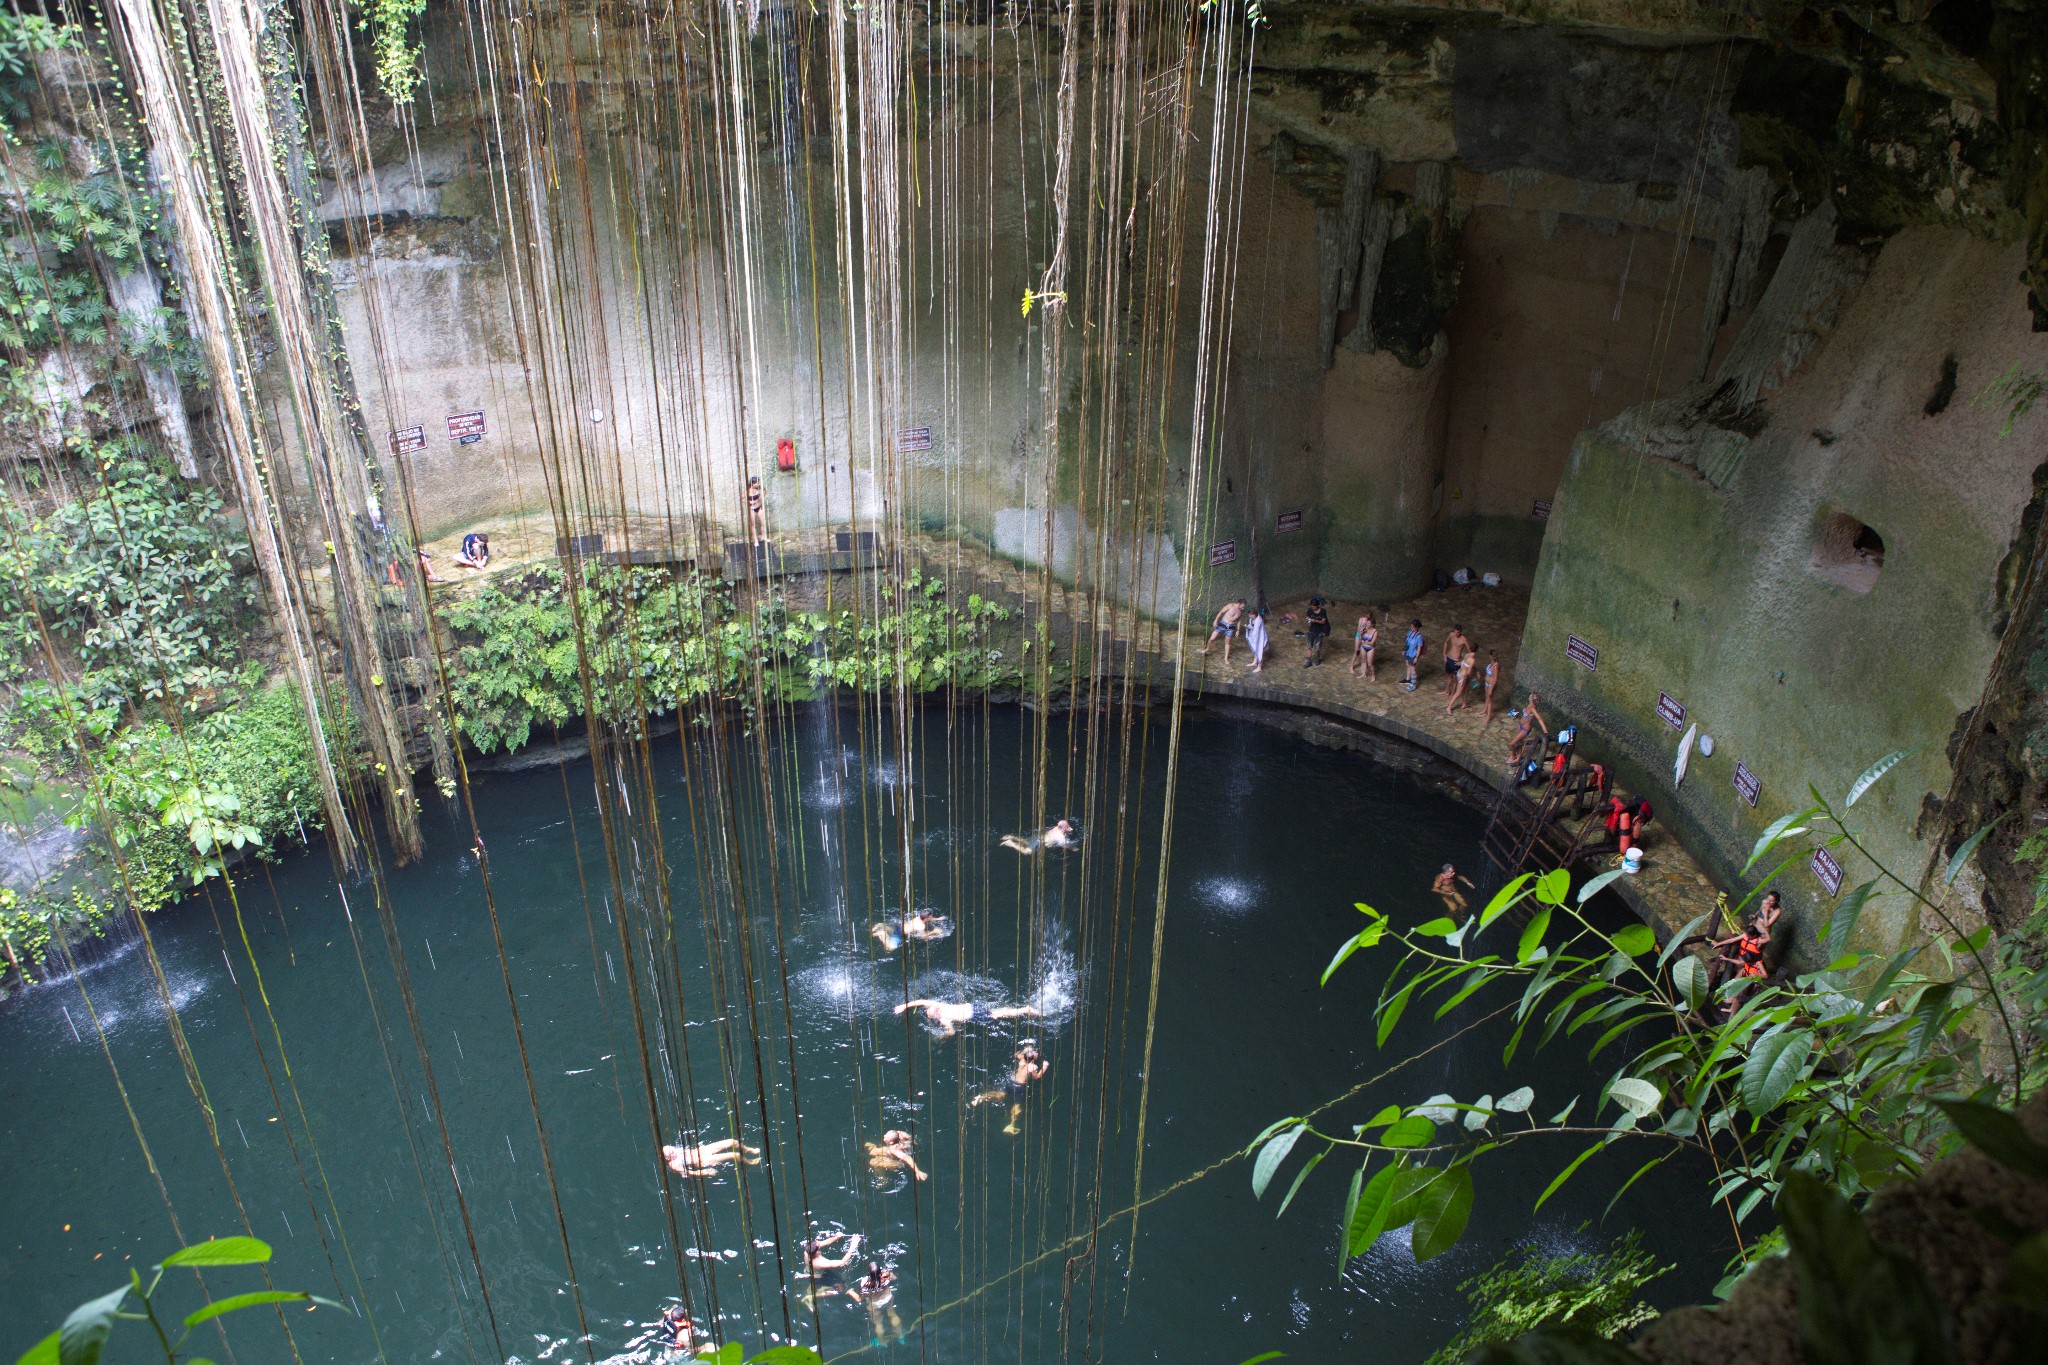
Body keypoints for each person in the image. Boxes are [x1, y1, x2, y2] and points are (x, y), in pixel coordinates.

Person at [972, 1044, 1049, 1135]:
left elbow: (1015, 1054)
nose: (1036, 1053)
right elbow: (1037, 1077)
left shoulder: (1022, 1059)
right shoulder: (1032, 1067)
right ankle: (1011, 1125)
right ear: (1033, 1059)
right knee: (1017, 1105)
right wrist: (1044, 1067)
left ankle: (981, 1097)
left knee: (1001, 1094)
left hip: (1011, 1081)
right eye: (1034, 1053)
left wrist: (1025, 1051)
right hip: (1019, 1087)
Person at [894, 998, 1041, 1039]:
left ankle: (1024, 1010)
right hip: (973, 1006)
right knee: (997, 1011)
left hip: (974, 1015)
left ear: (936, 1014)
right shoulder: (939, 1005)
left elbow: (951, 1032)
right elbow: (920, 1001)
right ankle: (1021, 1009)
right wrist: (904, 1006)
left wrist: (940, 1037)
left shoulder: (944, 1018)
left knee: (997, 1015)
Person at [798, 1230, 862, 1308]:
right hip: (819, 1277)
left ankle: (812, 1292)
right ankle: (812, 1296)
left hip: (810, 1272)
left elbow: (825, 1243)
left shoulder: (808, 1251)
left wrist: (836, 1237)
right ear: (817, 1251)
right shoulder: (821, 1262)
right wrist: (853, 1246)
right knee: (841, 1286)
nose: (819, 1242)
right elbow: (842, 1262)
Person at [855, 1262, 904, 1344]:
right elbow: (894, 1278)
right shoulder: (886, 1275)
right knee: (892, 1314)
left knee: (878, 1323)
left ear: (868, 1273)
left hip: (874, 1303)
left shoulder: (865, 1282)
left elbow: (861, 1297)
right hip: (887, 1297)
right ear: (880, 1271)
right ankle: (901, 1336)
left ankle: (881, 1341)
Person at [662, 1137, 762, 1177]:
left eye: (672, 1150)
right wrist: (705, 1172)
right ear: (668, 1158)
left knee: (732, 1141)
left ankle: (749, 1150)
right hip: (704, 1160)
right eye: (671, 1154)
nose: (674, 1152)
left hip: (703, 1150)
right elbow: (690, 1172)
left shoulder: (675, 1150)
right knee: (736, 1155)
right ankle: (750, 1162)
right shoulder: (674, 1164)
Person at [1509, 693, 1547, 764]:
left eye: (1530, 695)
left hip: (1525, 729)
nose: (1529, 696)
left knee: (1512, 744)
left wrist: (1545, 731)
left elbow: (1540, 719)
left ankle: (1513, 755)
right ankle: (1518, 758)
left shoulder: (1533, 709)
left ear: (1531, 699)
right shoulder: (1529, 705)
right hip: (1520, 725)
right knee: (1519, 742)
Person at [1001, 818, 1075, 854]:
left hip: (1038, 837)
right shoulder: (1061, 837)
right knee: (1027, 851)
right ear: (1063, 829)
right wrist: (1074, 849)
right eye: (1067, 828)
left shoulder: (1056, 828)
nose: (1069, 829)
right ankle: (1010, 843)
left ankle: (1012, 837)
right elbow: (1066, 845)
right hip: (1040, 843)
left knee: (1026, 842)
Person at [1442, 625, 1470, 698]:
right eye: (1455, 632)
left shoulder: (1463, 639)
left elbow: (1470, 652)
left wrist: (1462, 662)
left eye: (1457, 632)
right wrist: (1444, 654)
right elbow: (1446, 642)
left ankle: (1452, 695)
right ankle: (1447, 691)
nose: (1456, 634)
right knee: (1448, 676)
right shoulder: (1451, 634)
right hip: (1449, 658)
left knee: (1455, 679)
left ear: (1460, 632)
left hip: (1456, 661)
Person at [1303, 596, 1331, 668]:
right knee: (1309, 645)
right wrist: (1308, 620)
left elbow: (1323, 621)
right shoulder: (1310, 610)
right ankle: (1309, 660)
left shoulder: (1323, 611)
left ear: (1318, 605)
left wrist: (1315, 620)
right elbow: (1307, 617)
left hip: (1320, 631)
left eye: (1314, 607)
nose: (1313, 608)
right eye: (1312, 606)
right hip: (1312, 630)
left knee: (1317, 647)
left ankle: (1317, 658)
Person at [1448, 648, 1477, 715]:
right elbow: (1469, 672)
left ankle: (1464, 703)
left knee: (1467, 689)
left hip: (1460, 673)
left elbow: (1463, 663)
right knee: (1458, 692)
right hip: (1463, 677)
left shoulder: (1467, 655)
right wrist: (1473, 677)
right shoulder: (1472, 660)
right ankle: (1449, 707)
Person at [1350, 613, 1378, 681]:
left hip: (1370, 648)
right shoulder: (1365, 628)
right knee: (1363, 661)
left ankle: (1373, 676)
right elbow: (1360, 636)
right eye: (1367, 623)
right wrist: (1361, 633)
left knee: (1370, 663)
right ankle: (1363, 674)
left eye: (1368, 623)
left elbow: (1372, 643)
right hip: (1363, 647)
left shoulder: (1375, 631)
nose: (1367, 624)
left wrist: (1365, 642)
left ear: (1372, 624)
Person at [1402, 620, 1425, 692]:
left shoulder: (1419, 637)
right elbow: (1407, 642)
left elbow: (1419, 648)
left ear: (1417, 627)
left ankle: (1413, 684)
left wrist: (1416, 657)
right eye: (1411, 626)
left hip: (1413, 654)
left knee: (1412, 669)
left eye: (1413, 627)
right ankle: (1408, 680)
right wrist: (1404, 650)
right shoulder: (1410, 632)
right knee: (1408, 665)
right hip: (1408, 652)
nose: (1411, 628)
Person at [1245, 608, 1270, 673]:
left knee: (1259, 651)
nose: (1249, 616)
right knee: (1256, 650)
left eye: (1250, 615)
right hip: (1256, 637)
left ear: (1253, 615)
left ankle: (1259, 667)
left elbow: (1256, 630)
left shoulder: (1259, 620)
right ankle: (1254, 662)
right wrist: (1248, 626)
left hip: (1261, 637)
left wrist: (1252, 638)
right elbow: (1252, 626)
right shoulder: (1252, 619)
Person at [1481, 651, 1502, 727]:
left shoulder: (1496, 666)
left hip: (1491, 685)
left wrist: (1491, 688)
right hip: (1487, 683)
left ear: (1491, 656)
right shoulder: (1491, 664)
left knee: (1490, 700)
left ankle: (1488, 717)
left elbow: (1495, 679)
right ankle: (1484, 710)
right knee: (1487, 697)